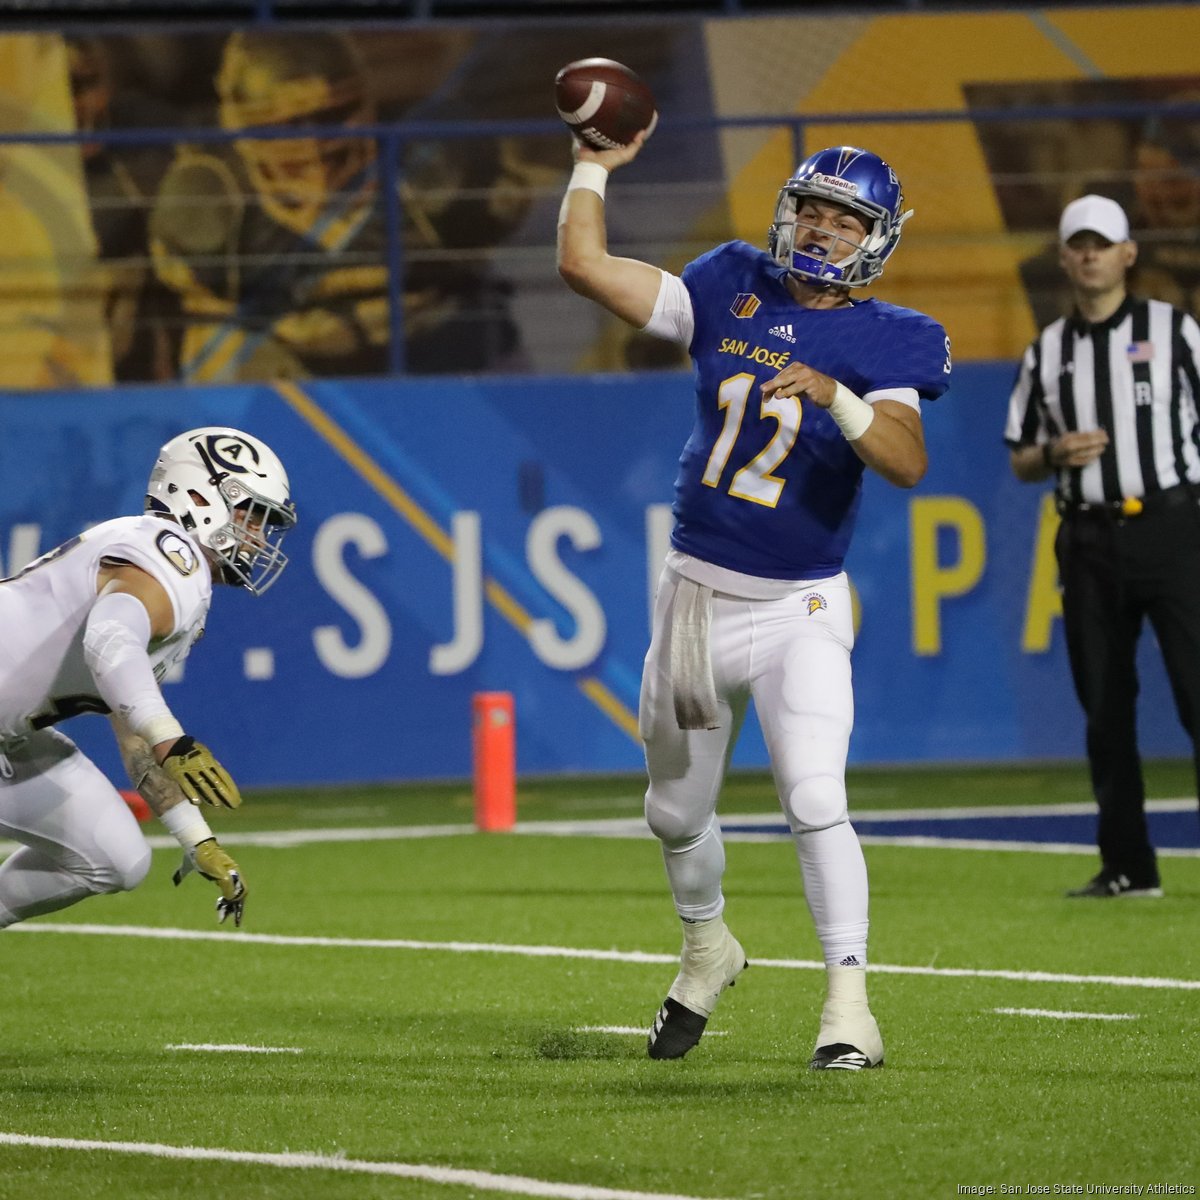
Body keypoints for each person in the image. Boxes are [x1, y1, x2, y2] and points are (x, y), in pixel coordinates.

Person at [558, 141, 951, 1069]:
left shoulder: (889, 336)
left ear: (876, 240)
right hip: (694, 597)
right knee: (672, 812)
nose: (821, 227)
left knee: (816, 795)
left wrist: (838, 399)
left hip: (798, 609)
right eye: (812, 208)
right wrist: (591, 165)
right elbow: (582, 265)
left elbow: (906, 460)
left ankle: (849, 1010)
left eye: (844, 218)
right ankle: (707, 948)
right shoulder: (728, 280)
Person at [0, 426, 296, 930]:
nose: (258, 536)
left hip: (9, 737)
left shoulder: (171, 570)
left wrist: (196, 837)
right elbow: (110, 638)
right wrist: (172, 741)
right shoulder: (170, 553)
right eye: (252, 515)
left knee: (114, 856)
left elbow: (133, 721)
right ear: (202, 496)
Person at [1005, 194, 1200, 899]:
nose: (1088, 254)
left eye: (1101, 242)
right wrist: (1054, 452)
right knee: (1106, 708)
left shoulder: (1175, 331)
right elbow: (1020, 456)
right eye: (1077, 244)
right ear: (1063, 257)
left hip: (1175, 529)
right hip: (1088, 537)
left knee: (1197, 695)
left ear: (1128, 253)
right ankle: (1127, 863)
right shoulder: (1047, 351)